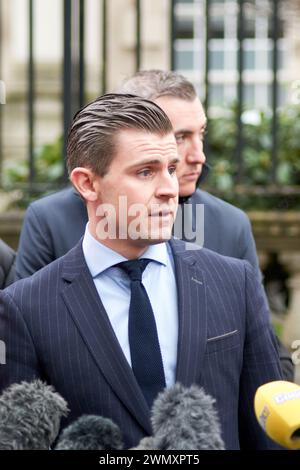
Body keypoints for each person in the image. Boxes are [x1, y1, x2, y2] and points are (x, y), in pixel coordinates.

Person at [0, 94, 282, 449]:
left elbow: (268, 433)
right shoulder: (25, 307)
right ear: (87, 183)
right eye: (145, 171)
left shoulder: (234, 282)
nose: (168, 190)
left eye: (171, 169)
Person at [15, 70, 293, 381]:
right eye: (180, 137)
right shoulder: (50, 221)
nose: (199, 155)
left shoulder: (229, 227)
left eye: (201, 133)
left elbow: (262, 357)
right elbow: (27, 338)